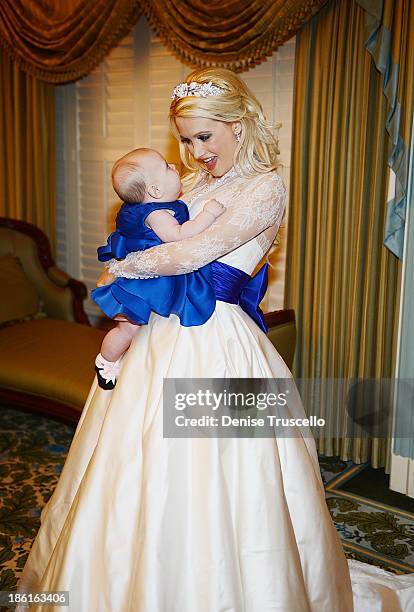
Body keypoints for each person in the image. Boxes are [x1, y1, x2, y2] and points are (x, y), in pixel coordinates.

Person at [16, 68, 414, 611]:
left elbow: (189, 255)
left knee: (229, 489)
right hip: (160, 338)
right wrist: (131, 260)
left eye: (204, 135)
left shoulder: (265, 186)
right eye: (184, 139)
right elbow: (154, 231)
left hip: (219, 342)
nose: (194, 150)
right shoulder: (195, 186)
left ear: (241, 123)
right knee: (132, 472)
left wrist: (124, 268)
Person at [91, 147, 225, 390]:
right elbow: (179, 235)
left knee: (132, 331)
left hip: (148, 278)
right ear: (155, 190)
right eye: (166, 167)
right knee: (129, 329)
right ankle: (106, 360)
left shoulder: (150, 206)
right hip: (146, 283)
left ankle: (111, 358)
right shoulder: (157, 215)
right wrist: (208, 214)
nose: (174, 167)